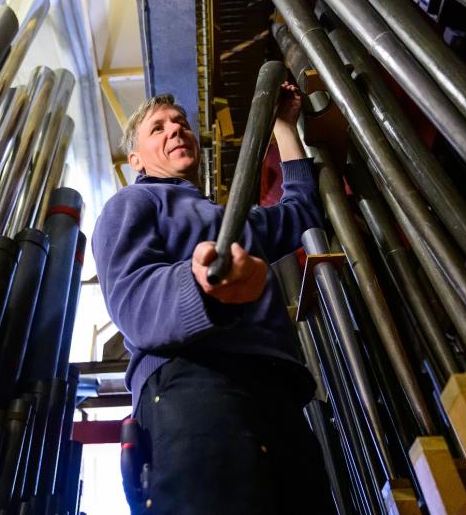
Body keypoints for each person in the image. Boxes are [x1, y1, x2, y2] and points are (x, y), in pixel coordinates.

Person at [92, 84, 331, 514]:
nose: (176, 131)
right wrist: (203, 286)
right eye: (158, 128)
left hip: (275, 389)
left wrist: (283, 127)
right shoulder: (131, 202)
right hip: (191, 383)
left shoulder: (228, 220)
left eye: (180, 123)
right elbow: (133, 299)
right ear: (136, 161)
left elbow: (304, 215)